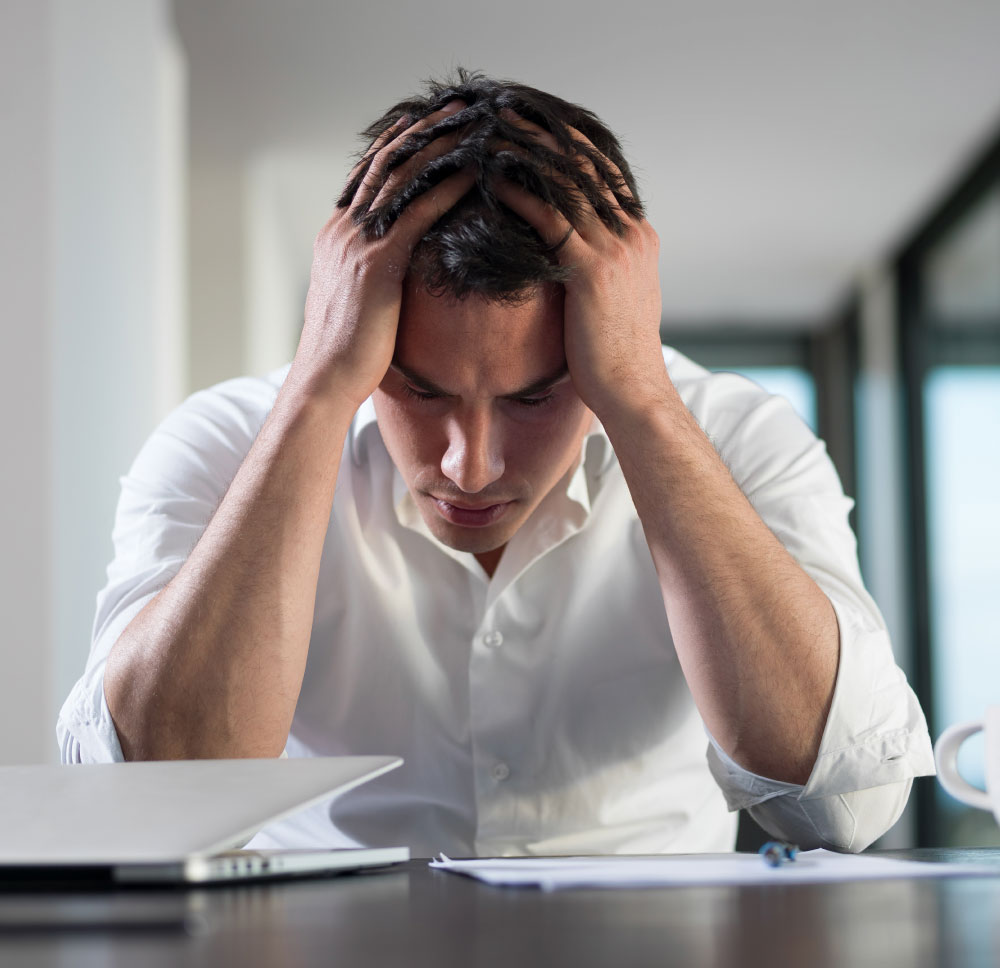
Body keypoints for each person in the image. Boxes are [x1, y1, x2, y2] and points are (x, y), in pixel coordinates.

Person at [58, 70, 934, 857]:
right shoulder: (222, 445)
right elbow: (144, 803)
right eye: (418, 390)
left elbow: (846, 808)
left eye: (533, 397)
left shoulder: (738, 439)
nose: (468, 467)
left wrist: (641, 401)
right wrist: (321, 390)